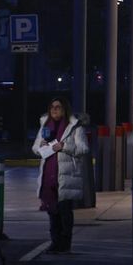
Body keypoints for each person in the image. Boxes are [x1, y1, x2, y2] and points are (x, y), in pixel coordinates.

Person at [31, 96, 88, 254]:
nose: (54, 110)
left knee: (64, 211)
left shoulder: (75, 127)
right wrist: (41, 146)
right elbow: (35, 148)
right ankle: (55, 242)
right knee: (52, 211)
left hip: (65, 175)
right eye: (52, 107)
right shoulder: (45, 125)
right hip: (48, 174)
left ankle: (65, 243)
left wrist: (64, 146)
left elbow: (83, 149)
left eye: (58, 107)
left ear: (64, 109)